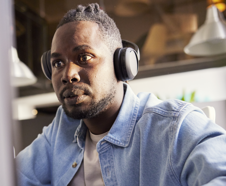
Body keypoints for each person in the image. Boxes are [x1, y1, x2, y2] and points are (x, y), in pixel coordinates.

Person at [16, 3, 226, 186]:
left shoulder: (173, 126)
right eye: (58, 63)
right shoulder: (61, 130)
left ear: (122, 64)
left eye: (84, 57)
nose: (68, 74)